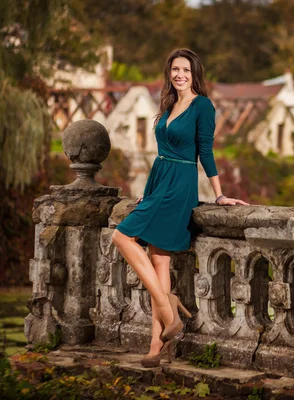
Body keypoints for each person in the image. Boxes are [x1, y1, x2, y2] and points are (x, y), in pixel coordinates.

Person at [111, 48, 248, 368]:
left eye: (185, 69)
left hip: (181, 183)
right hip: (159, 181)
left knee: (121, 237)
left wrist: (219, 195)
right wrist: (147, 193)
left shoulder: (203, 105)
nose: (179, 74)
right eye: (174, 69)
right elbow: (159, 155)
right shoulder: (169, 103)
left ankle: (165, 305)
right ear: (169, 73)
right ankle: (157, 347)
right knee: (158, 260)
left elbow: (206, 152)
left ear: (194, 72)